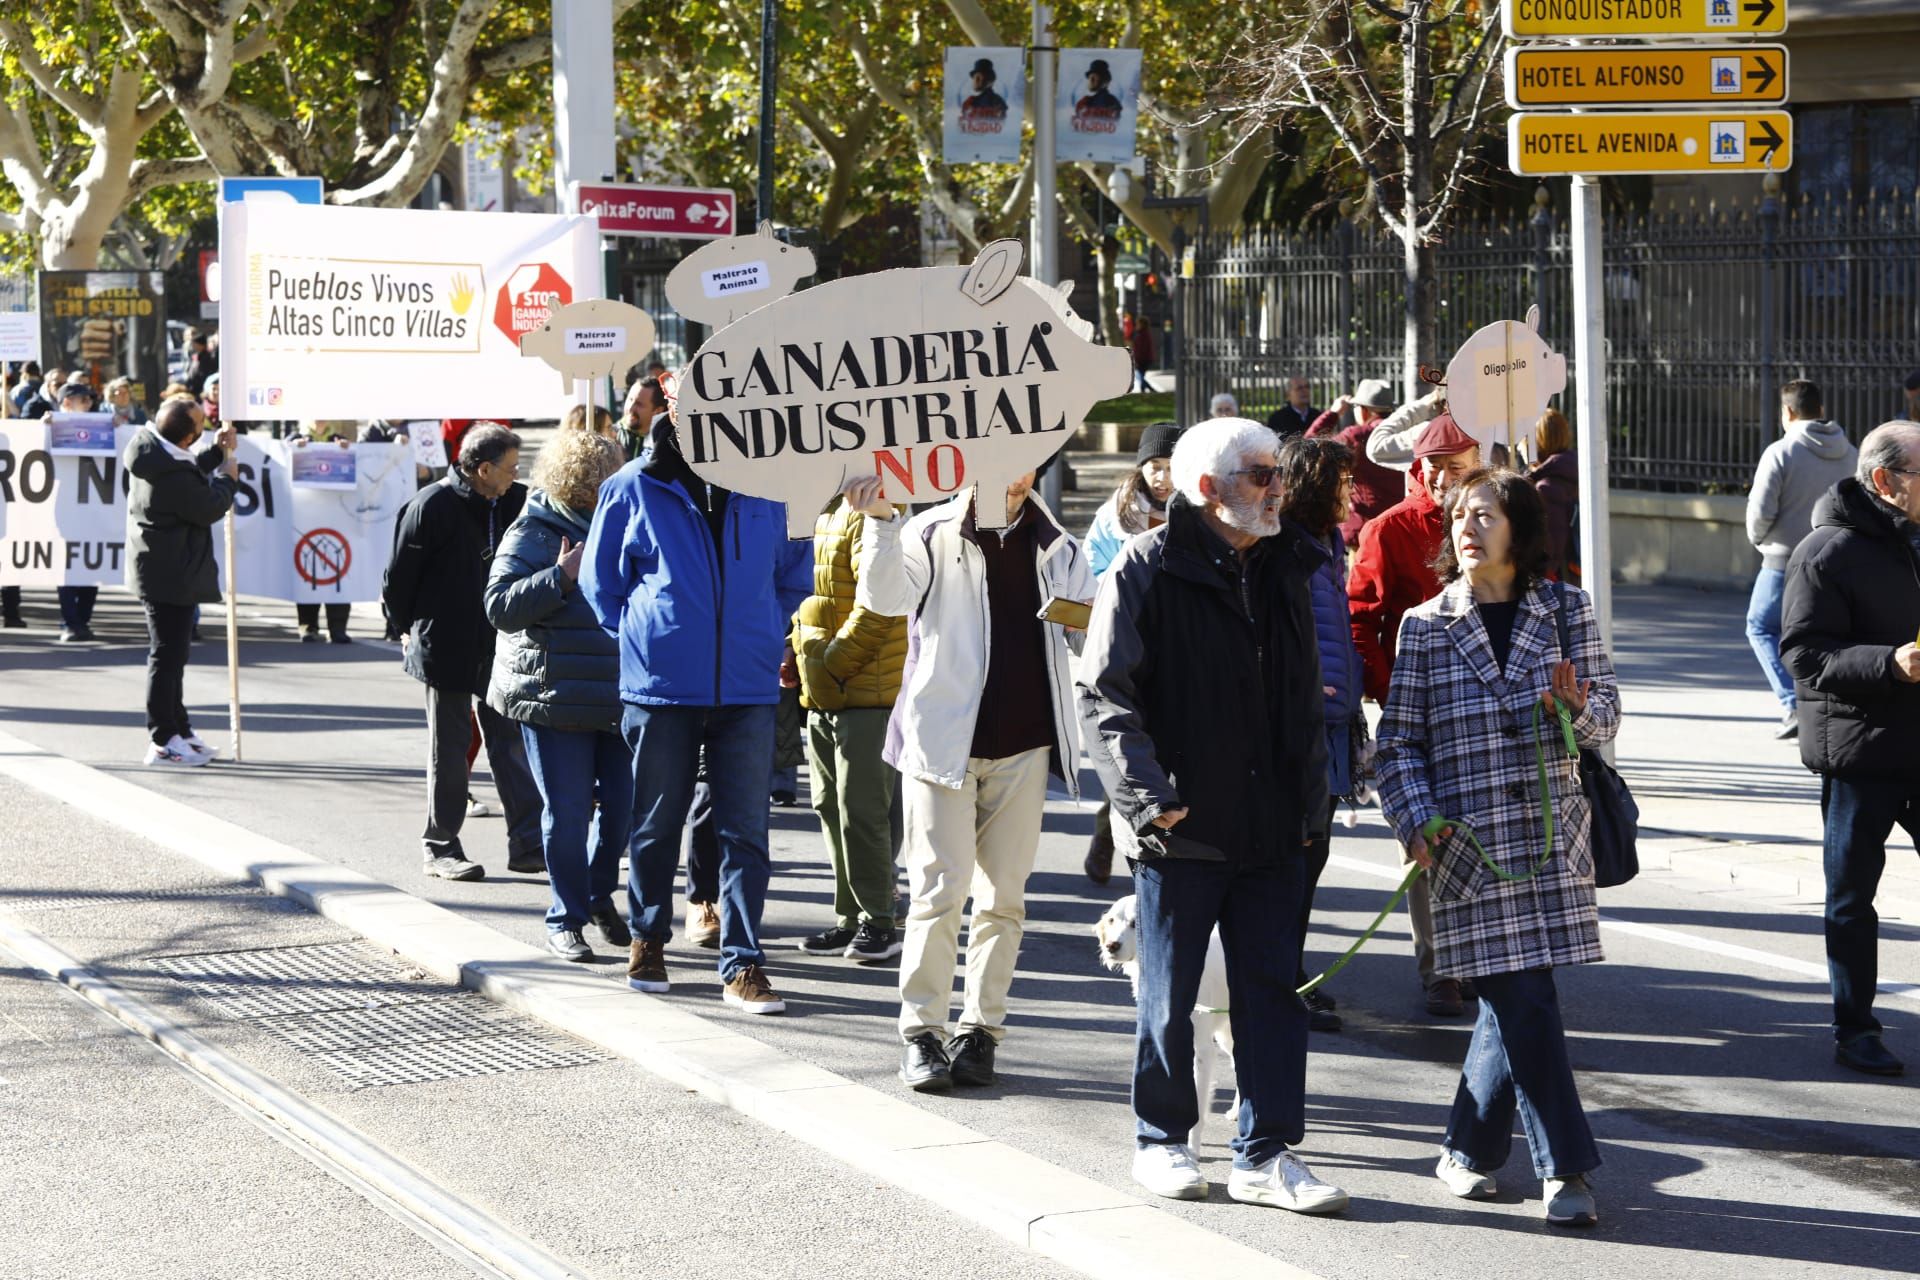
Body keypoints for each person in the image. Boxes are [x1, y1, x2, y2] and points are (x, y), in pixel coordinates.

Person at [1077, 417, 1345, 1213]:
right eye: (1261, 474)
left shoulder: (1289, 563)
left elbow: (1302, 695)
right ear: (1207, 490)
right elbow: (1104, 693)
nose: (1277, 487)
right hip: (1181, 826)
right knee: (1170, 992)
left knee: (1270, 996)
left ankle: (1265, 1154)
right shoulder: (1146, 568)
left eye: (1276, 473)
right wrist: (1149, 799)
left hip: (1275, 826)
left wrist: (1312, 799)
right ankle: (1163, 1142)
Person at [1374, 466, 1616, 1228]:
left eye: (1484, 514)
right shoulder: (1426, 624)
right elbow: (1398, 744)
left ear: (1519, 527)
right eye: (1458, 517)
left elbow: (1608, 714)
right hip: (1469, 845)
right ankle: (1567, 1167)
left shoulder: (1568, 608)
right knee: (1523, 996)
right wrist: (1416, 819)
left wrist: (1579, 712)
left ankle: (1466, 1151)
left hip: (1550, 840)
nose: (1467, 528)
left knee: (1513, 1000)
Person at [850, 468, 1092, 1092]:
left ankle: (980, 1031)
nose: (1013, 469)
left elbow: (1088, 635)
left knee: (1004, 898)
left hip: (1025, 746)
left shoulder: (1057, 543)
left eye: (1027, 454)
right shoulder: (930, 531)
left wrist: (1087, 625)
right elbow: (882, 600)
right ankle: (921, 1032)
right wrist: (879, 521)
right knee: (938, 891)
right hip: (939, 744)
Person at [581, 415, 812, 1014]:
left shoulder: (771, 485)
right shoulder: (632, 485)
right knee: (655, 823)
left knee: (746, 833)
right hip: (661, 689)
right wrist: (647, 637)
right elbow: (601, 584)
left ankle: (742, 963)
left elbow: (794, 574)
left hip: (747, 688)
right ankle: (648, 938)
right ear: (674, 409)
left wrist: (762, 633)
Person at [1781, 421, 1920, 1078]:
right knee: (1851, 897)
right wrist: (1889, 662)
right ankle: (1855, 1027)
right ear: (1888, 481)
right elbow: (1803, 654)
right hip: (1861, 753)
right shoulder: (1825, 551)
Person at [1348, 412, 1482, 1017]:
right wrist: (1388, 685)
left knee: (1488, 828)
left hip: (1489, 703)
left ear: (1480, 463)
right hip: (1417, 708)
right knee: (1424, 832)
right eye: (1431, 465)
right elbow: (1360, 620)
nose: (1441, 476)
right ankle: (1439, 968)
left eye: (1456, 466)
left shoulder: (1504, 516)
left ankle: (1488, 955)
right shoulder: (1389, 529)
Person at [484, 428, 635, 962]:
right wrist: (560, 576)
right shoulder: (535, 528)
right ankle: (564, 917)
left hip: (620, 695)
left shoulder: (626, 519)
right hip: (553, 695)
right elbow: (499, 606)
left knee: (622, 811)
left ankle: (597, 895)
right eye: (600, 475)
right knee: (568, 813)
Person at [382, 423, 544, 881]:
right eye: (510, 467)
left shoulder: (518, 501)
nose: (516, 474)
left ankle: (529, 843)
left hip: (502, 645)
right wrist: (403, 628)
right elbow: (398, 579)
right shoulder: (430, 506)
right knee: (450, 750)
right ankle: (441, 846)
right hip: (445, 645)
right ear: (483, 469)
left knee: (511, 745)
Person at [792, 484, 909, 963]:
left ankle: (880, 921)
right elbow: (813, 595)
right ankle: (853, 917)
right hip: (824, 687)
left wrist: (829, 664)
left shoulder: (871, 509)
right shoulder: (815, 506)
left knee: (862, 811)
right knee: (830, 806)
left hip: (865, 690)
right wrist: (795, 649)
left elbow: (880, 609)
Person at [1278, 435, 1363, 1034]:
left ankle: (1293, 976)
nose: (1348, 493)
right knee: (1293, 862)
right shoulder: (1281, 545)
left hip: (1332, 727)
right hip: (1297, 729)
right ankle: (1282, 984)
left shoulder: (1328, 543)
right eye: (1338, 482)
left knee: (1314, 858)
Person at [1081, 421, 1181, 883]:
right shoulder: (1115, 516)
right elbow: (1091, 572)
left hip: (1177, 646)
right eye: (1154, 467)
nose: (1162, 478)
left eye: (1170, 467)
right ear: (1140, 469)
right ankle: (1114, 832)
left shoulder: (1198, 510)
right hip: (1129, 646)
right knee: (1131, 747)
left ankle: (1139, 827)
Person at [124, 396, 238, 767]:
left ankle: (179, 729)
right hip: (168, 572)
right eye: (201, 424)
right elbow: (206, 505)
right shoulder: (168, 473)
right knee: (167, 656)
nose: (205, 425)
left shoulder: (153, 450)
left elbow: (187, 467)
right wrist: (227, 478)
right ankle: (162, 739)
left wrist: (215, 454)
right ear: (188, 436)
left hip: (167, 568)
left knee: (174, 656)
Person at [1746, 380, 1857, 742]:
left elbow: (1760, 512)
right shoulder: (1850, 453)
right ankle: (1824, 703)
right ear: (1820, 410)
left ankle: (1793, 702)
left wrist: (1762, 541)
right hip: (1837, 559)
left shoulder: (1781, 452)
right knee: (1824, 635)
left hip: (1784, 560)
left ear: (1788, 412)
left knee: (1761, 627)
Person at [1305, 378, 1402, 548]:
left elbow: (1309, 447)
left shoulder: (1356, 436)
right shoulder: (1405, 432)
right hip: (1400, 525)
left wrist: (1333, 413)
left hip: (1365, 530)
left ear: (1364, 411)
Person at [48, 379, 104, 642]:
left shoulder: (102, 426)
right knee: (68, 568)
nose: (90, 404)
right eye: (84, 400)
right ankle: (70, 622)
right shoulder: (50, 425)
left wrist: (117, 428)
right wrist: (43, 428)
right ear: (67, 402)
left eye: (91, 400)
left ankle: (82, 619)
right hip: (64, 512)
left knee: (92, 566)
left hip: (94, 510)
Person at [1525, 409, 1580, 584]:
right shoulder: (1571, 473)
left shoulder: (1546, 488)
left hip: (1554, 583)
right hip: (1571, 575)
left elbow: (1552, 549)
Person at [620, 377, 667, 460]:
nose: (630, 408)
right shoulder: (611, 436)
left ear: (658, 410)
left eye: (639, 404)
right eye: (630, 399)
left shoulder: (665, 443)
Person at [1126, 311, 1155, 394]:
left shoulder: (1143, 335)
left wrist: (1136, 360)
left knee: (1139, 376)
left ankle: (1151, 390)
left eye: (1138, 324)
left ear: (1142, 324)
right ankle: (1144, 392)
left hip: (1143, 360)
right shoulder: (1142, 334)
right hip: (1143, 359)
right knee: (1140, 376)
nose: (1136, 326)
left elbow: (1141, 349)